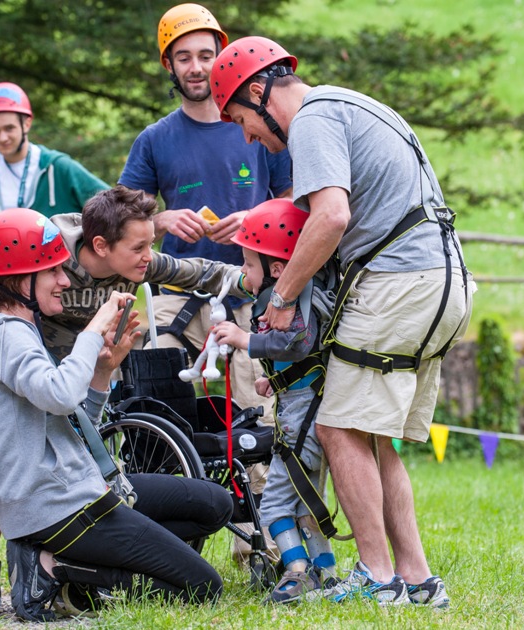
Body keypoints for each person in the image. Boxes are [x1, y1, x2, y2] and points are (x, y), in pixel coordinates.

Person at [211, 37, 475, 607]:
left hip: (397, 283)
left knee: (335, 429)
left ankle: (378, 580)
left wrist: (282, 295)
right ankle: (418, 580)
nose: (246, 137)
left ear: (258, 91)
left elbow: (331, 217)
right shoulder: (354, 104)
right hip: (444, 282)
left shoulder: (313, 119)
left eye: (240, 119)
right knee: (374, 437)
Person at [0, 186, 246, 615]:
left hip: (73, 457)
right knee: (202, 586)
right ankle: (42, 567)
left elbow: (71, 425)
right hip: (54, 492)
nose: (62, 278)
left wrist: (100, 373)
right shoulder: (7, 327)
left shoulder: (33, 322)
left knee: (214, 503)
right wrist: (93, 331)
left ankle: (78, 555)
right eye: (52, 273)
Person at [118, 3, 292, 423]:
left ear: (221, 57)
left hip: (251, 294)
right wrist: (160, 220)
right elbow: (120, 221)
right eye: (183, 58)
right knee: (152, 401)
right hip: (174, 294)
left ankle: (258, 490)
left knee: (262, 415)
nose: (196, 68)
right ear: (169, 66)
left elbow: (294, 206)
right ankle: (172, 487)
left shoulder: (259, 124)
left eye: (204, 55)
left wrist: (255, 223)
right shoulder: (155, 139)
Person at [211, 199, 339, 605]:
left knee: (276, 507)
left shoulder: (286, 298)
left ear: (277, 269)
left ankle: (297, 573)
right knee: (304, 504)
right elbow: (301, 353)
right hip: (303, 411)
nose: (244, 273)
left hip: (303, 421)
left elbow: (297, 342)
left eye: (248, 265)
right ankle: (327, 574)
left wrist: (244, 339)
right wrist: (275, 378)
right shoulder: (302, 293)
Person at [0, 81, 110, 273]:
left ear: (26, 123)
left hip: (62, 283)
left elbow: (111, 206)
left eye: (9, 128)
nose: (2, 137)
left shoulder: (58, 167)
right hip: (7, 289)